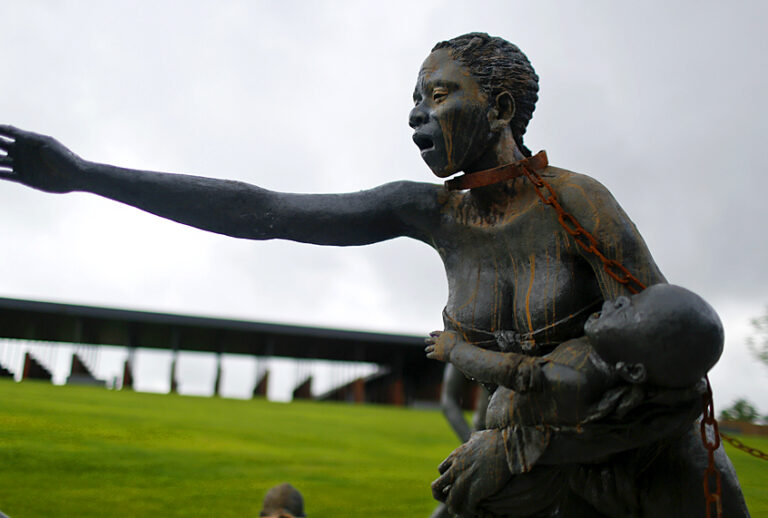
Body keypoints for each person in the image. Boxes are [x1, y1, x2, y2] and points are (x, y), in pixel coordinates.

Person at [0, 33, 748, 518]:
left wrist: (524, 448)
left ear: (503, 106)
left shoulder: (580, 206)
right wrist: (86, 175)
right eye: (413, 103)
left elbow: (675, 385)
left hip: (646, 476)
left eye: (437, 96)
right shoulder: (430, 212)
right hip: (510, 466)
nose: (418, 118)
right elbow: (265, 212)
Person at [425, 284, 725, 517]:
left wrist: (454, 351)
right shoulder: (589, 353)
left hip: (515, 483)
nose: (614, 301)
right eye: (629, 298)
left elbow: (512, 371)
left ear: (632, 371)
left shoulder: (575, 381)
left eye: (627, 311)